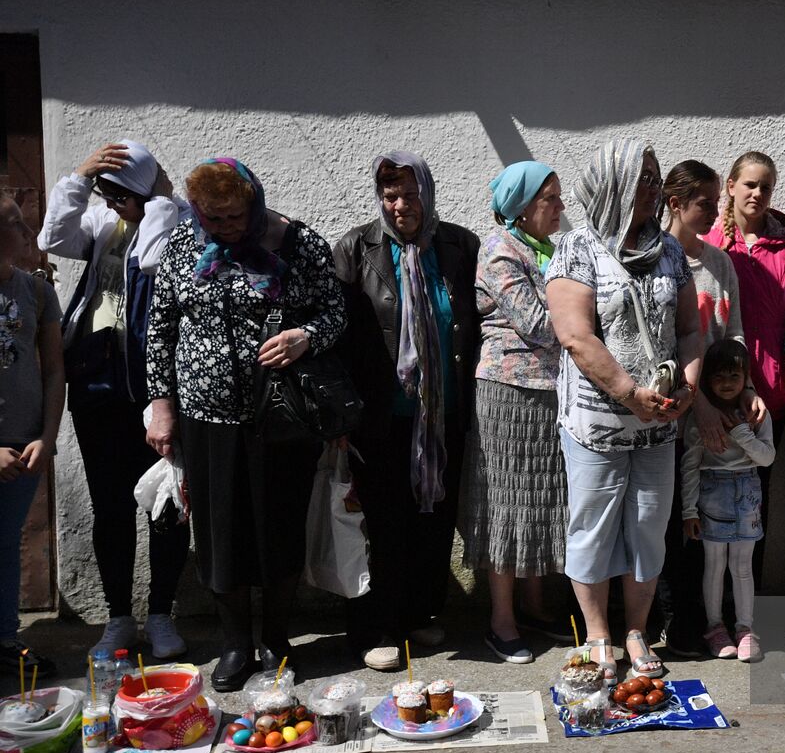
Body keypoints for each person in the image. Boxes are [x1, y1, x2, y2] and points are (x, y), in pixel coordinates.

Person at [145, 158, 346, 692]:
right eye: (214, 220)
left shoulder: (297, 243)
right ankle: (235, 643)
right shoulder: (182, 246)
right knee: (219, 535)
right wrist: (160, 404)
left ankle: (277, 640)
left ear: (254, 203)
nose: (227, 228)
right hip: (206, 417)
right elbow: (160, 327)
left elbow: (335, 313)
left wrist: (305, 336)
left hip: (281, 417)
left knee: (278, 528)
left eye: (236, 216)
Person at [546, 138, 703, 683]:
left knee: (647, 527)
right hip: (599, 422)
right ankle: (598, 635)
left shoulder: (670, 250)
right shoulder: (577, 249)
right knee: (592, 527)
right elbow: (575, 335)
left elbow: (688, 329)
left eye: (656, 177)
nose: (653, 188)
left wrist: (686, 387)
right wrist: (629, 393)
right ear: (612, 182)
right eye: (642, 177)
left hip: (658, 423)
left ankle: (636, 631)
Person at [37, 140, 192, 659]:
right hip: (99, 384)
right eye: (107, 193)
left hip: (154, 390)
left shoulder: (174, 221)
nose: (112, 204)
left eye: (121, 195)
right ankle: (120, 618)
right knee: (111, 504)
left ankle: (163, 614)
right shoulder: (103, 226)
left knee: (166, 502)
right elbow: (52, 235)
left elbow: (151, 259)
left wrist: (160, 203)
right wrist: (79, 178)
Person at [334, 152, 478, 671]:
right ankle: (379, 627)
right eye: (390, 196)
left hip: (443, 413)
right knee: (384, 523)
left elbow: (471, 325)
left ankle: (420, 612)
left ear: (427, 194)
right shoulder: (355, 248)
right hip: (383, 413)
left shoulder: (459, 245)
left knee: (434, 517)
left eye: (410, 195)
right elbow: (340, 334)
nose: (400, 206)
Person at [461, 159, 572, 665]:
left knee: (544, 501)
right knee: (506, 504)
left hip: (552, 393)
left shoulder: (551, 249)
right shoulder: (499, 250)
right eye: (550, 198)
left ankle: (534, 604)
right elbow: (540, 325)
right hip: (508, 394)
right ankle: (501, 619)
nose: (559, 206)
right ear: (523, 207)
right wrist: (583, 314)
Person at [657, 160, 762, 658]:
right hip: (675, 416)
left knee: (716, 534)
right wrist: (696, 403)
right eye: (705, 201)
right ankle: (677, 626)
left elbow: (734, 332)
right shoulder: (655, 259)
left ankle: (718, 624)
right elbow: (663, 344)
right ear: (676, 203)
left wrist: (743, 390)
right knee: (679, 524)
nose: (715, 209)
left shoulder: (719, 262)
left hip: (721, 416)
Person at [703, 152, 785, 588]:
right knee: (710, 502)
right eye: (749, 184)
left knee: (754, 505)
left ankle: (749, 611)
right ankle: (714, 611)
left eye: (766, 186)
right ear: (729, 186)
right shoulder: (710, 243)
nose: (757, 194)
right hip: (720, 393)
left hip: (772, 396)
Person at [0, 193, 63, 676]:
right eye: (16, 224)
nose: (27, 232)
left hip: (23, 446)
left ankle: (5, 637)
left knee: (6, 542)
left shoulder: (38, 293)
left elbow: (53, 372)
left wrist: (47, 433)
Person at [680, 339, 774, 662]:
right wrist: (689, 510)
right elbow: (690, 465)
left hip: (747, 494)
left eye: (733, 376)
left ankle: (745, 629)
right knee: (714, 566)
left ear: (745, 377)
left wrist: (742, 435)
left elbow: (767, 458)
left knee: (742, 566)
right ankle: (715, 628)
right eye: (718, 377)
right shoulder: (700, 420)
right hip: (712, 495)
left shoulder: (756, 414)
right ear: (706, 380)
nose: (726, 383)